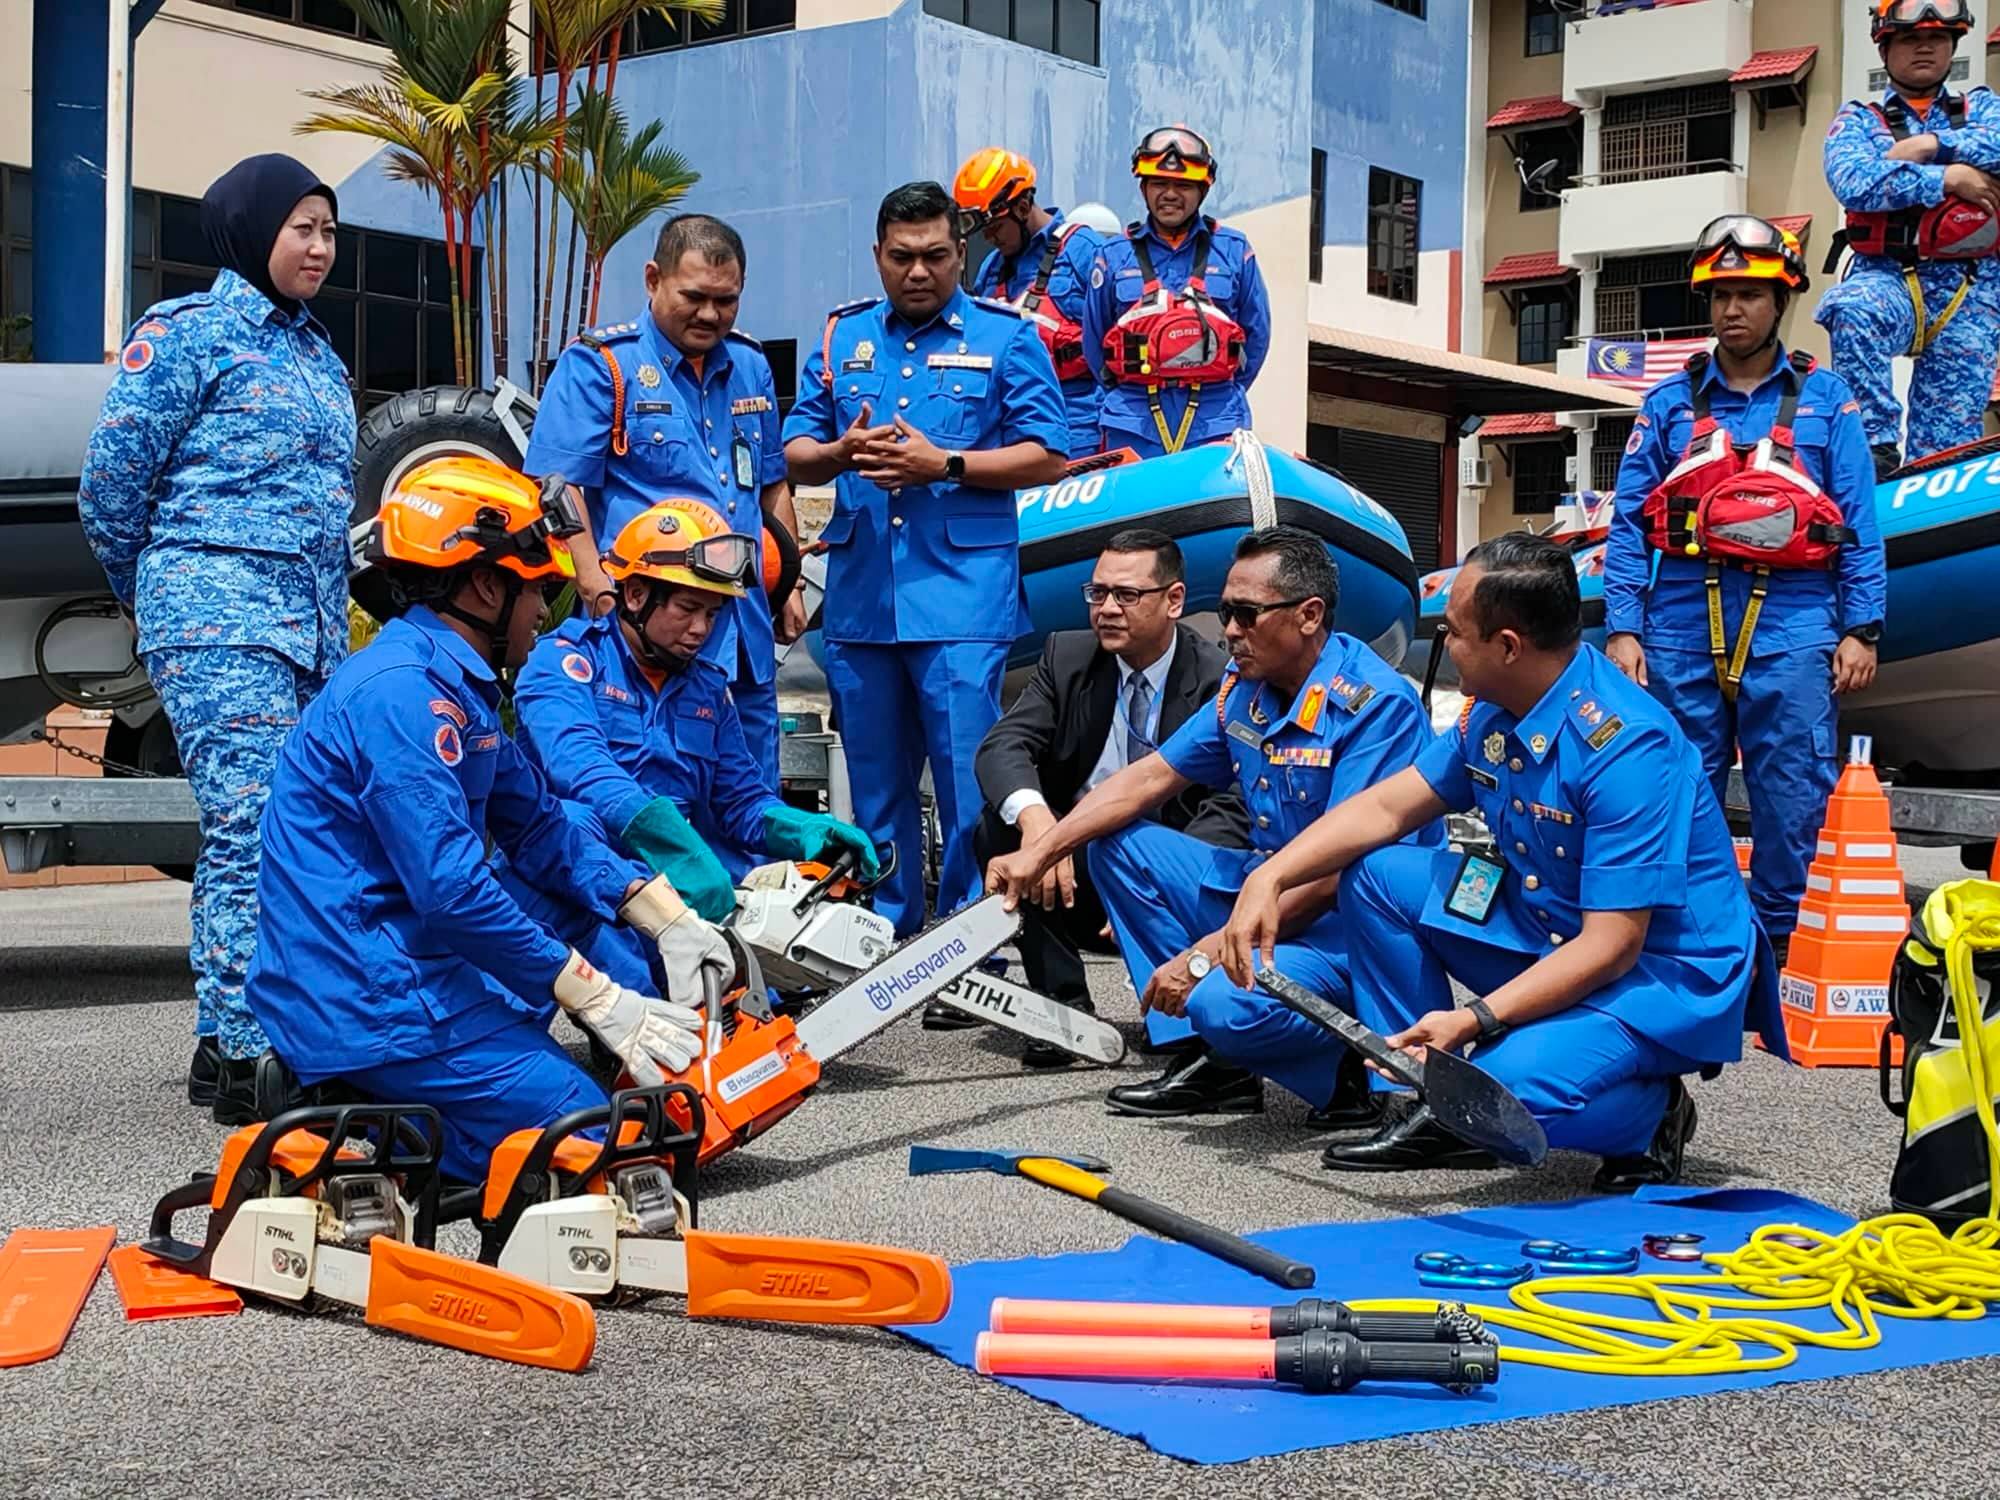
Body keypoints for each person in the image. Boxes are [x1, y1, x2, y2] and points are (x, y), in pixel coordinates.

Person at [1221, 534, 1787, 1187]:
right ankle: (1422, 1098)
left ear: (1508, 646)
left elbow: (1613, 946)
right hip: (1548, 926)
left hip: (1655, 973)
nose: (1445, 645)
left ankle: (1653, 1112)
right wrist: (1272, 876)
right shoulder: (1489, 712)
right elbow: (1385, 811)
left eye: (1454, 633)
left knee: (1503, 1092)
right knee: (1378, 874)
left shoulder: (1627, 745)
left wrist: (1474, 1020)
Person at [243, 458, 733, 1184]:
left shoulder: (452, 685)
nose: (546, 611)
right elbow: (452, 892)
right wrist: (593, 994)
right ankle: (356, 1108)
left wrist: (663, 915)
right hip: (370, 991)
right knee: (601, 1144)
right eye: (537, 590)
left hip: (399, 954)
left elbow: (542, 829)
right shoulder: (404, 698)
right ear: (485, 584)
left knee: (565, 852)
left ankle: (413, 1092)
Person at [985, 526, 1438, 1121]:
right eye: (1226, 611)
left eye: (1247, 614)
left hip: (1344, 928)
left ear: (1309, 615)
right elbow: (1147, 780)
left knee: (1223, 1005)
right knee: (1117, 843)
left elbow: (1334, 877)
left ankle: (1355, 1063)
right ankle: (1210, 1062)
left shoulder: (1374, 705)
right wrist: (1041, 848)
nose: (1229, 630)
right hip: (1267, 896)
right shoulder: (1245, 691)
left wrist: (1202, 958)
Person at [77, 154, 355, 1123]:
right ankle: (246, 1050)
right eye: (301, 228)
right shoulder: (187, 336)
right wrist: (158, 596)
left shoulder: (320, 356)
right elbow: (109, 489)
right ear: (249, 230)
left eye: (328, 229)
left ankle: (235, 1035)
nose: (320, 246)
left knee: (308, 826)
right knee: (252, 822)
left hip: (310, 629)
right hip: (217, 616)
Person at [783, 181, 1068, 936]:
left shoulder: (1008, 336)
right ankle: (883, 932)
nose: (919, 271)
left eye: (936, 256)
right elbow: (796, 450)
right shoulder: (843, 337)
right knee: (875, 784)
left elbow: (1049, 455)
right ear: (878, 256)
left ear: (961, 252)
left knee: (966, 779)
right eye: (902, 256)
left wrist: (945, 465)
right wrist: (843, 452)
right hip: (864, 595)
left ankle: (974, 940)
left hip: (963, 596)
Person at [1608, 214, 1887, 961]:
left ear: (1782, 299)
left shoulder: (1828, 402)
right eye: (1721, 294)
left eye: (1751, 294)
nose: (1733, 309)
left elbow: (1857, 522)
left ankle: (1777, 955)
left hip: (1795, 625)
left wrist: (1862, 627)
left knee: (1790, 792)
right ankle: (1691, 953)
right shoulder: (1668, 405)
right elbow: (1632, 524)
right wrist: (1624, 627)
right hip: (1680, 621)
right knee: (1678, 794)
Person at [508, 497, 877, 958]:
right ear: (637, 595)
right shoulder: (563, 664)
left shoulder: (706, 689)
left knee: (751, 1002)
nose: (701, 629)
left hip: (675, 887)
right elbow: (583, 770)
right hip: (576, 887)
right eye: (687, 608)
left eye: (713, 613)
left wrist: (804, 829)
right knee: (649, 1005)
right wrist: (675, 848)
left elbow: (740, 800)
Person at [524, 213, 802, 792]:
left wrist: (790, 582)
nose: (709, 314)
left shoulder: (749, 364)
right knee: (648, 800)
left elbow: (772, 483)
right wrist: (596, 587)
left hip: (741, 627)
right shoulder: (604, 365)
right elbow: (557, 487)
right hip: (643, 631)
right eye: (693, 296)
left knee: (751, 802)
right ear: (653, 280)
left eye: (725, 301)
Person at [969, 529, 1249, 1066]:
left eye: (1126, 595)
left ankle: (1185, 1020)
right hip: (1076, 868)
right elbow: (1004, 745)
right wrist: (1038, 829)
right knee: (998, 827)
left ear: (1174, 601)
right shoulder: (1067, 658)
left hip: (1170, 866)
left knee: (1176, 855)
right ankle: (1062, 1012)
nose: (1107, 609)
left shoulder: (1220, 682)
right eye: (1097, 594)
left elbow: (1232, 803)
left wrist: (1146, 880)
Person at [1818, 0, 2000, 472]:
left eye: (1937, 38)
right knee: (1852, 309)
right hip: (1889, 277)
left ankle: (1929, 501)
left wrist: (1931, 146)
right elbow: (1855, 180)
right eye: (1911, 38)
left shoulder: (1981, 106)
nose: (1925, 47)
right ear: (1885, 47)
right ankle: (1872, 454)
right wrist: (1950, 179)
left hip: (1970, 291)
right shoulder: (1858, 119)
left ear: (1952, 46)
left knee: (1947, 444)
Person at [1081, 125, 1270, 459]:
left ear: (1202, 190)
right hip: (1132, 420)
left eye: (1182, 185)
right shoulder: (1113, 255)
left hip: (1216, 419)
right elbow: (1094, 341)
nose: (1169, 194)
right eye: (1159, 183)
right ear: (1143, 187)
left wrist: (1222, 386)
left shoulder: (1234, 250)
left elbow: (1256, 337)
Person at [953, 147, 1104, 458]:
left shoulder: (1084, 252)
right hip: (1012, 427)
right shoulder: (992, 270)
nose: (990, 240)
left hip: (1079, 427)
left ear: (1022, 207)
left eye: (994, 228)